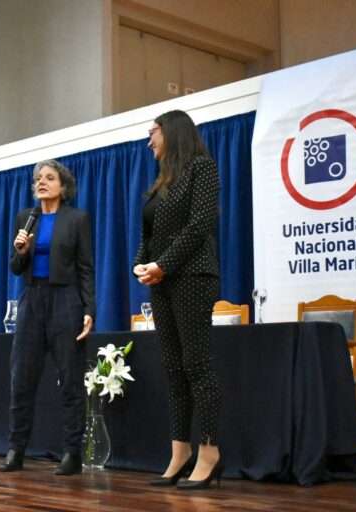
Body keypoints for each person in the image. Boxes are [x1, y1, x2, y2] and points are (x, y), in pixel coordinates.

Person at [134, 110, 223, 490]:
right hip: (163, 280)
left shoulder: (202, 168)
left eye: (152, 132)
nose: (149, 140)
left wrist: (163, 265)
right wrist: (141, 265)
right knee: (172, 368)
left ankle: (209, 451)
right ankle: (179, 452)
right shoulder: (160, 183)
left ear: (171, 131)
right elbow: (149, 234)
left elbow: (200, 224)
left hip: (192, 277)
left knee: (196, 367)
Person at [0, 159, 95, 476]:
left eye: (49, 178)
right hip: (32, 298)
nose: (41, 182)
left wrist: (89, 310)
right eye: (38, 178)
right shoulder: (26, 218)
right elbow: (15, 267)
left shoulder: (76, 219)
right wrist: (21, 251)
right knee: (20, 379)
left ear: (63, 186)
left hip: (66, 300)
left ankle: (72, 452)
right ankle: (16, 449)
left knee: (70, 380)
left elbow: (85, 269)